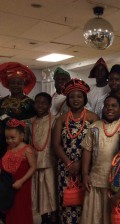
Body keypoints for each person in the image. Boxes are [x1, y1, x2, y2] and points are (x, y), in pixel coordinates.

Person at [52, 79, 99, 224]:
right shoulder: (61, 119)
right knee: (67, 201)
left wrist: (81, 164)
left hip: (87, 166)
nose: (75, 99)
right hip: (65, 167)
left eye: (79, 96)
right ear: (67, 99)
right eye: (72, 97)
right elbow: (56, 144)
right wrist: (68, 163)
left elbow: (96, 145)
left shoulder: (93, 118)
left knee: (85, 200)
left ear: (84, 98)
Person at [80, 95, 120, 224]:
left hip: (116, 180)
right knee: (94, 215)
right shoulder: (94, 127)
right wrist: (85, 174)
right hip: (96, 178)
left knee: (111, 215)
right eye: (107, 105)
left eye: (113, 106)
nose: (109, 108)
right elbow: (87, 151)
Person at [0, 118, 37, 224]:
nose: (9, 141)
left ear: (22, 136)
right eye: (7, 138)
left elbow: (33, 167)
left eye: (12, 138)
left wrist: (21, 181)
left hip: (21, 186)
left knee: (21, 209)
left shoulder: (27, 149)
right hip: (8, 185)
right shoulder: (8, 148)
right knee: (10, 209)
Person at [30, 92, 57, 224]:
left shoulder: (55, 120)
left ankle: (52, 218)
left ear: (49, 105)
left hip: (49, 164)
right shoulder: (31, 121)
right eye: (38, 102)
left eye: (44, 103)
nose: (40, 105)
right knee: (37, 197)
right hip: (34, 165)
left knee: (50, 196)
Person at [0, 62, 36, 158]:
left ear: (23, 85)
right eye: (13, 83)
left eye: (19, 83)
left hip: (22, 143)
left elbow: (33, 123)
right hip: (2, 142)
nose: (16, 85)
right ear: (8, 85)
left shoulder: (30, 103)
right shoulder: (3, 101)